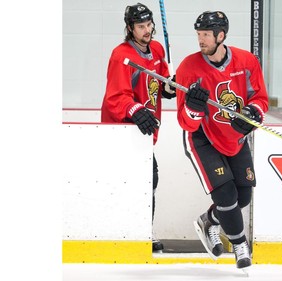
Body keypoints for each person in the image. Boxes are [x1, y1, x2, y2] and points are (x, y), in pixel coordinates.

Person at [175, 11, 268, 270]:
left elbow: (260, 98)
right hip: (202, 138)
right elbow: (185, 122)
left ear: (221, 35)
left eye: (206, 34)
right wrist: (193, 109)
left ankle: (209, 220)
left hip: (234, 137)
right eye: (198, 34)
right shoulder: (188, 67)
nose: (201, 40)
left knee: (243, 197)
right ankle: (240, 244)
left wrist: (251, 114)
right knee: (226, 194)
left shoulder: (247, 61)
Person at [101, 2, 176, 252]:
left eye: (148, 25)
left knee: (148, 180)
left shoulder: (156, 49)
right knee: (134, 180)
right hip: (123, 129)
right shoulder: (121, 55)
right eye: (140, 26)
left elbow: (161, 84)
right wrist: (135, 109)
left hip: (144, 130)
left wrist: (170, 87)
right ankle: (129, 230)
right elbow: (115, 96)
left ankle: (143, 230)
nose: (147, 30)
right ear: (130, 28)